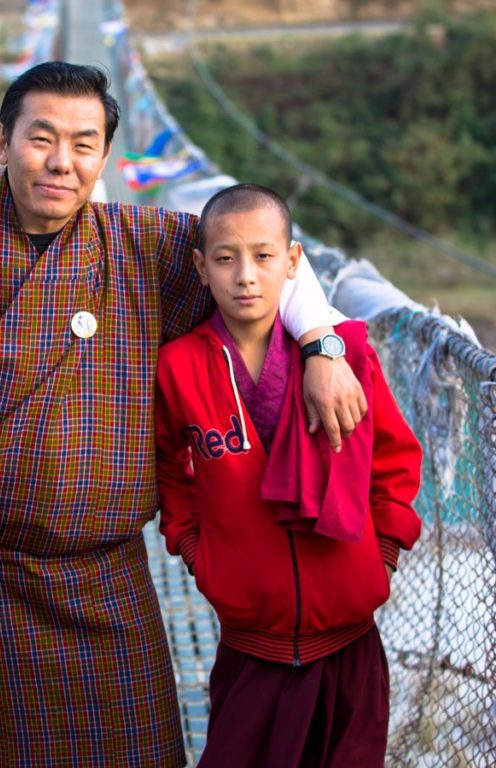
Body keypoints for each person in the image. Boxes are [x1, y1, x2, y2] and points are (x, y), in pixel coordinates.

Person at [0, 62, 367, 766]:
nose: (60, 161)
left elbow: (262, 256)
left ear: (106, 157)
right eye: (41, 137)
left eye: (83, 144)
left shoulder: (152, 247)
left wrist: (322, 344)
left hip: (111, 580)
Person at [155, 184, 422, 767]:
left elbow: (394, 459)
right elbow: (171, 473)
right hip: (250, 644)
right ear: (201, 269)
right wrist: (197, 550)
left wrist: (381, 555)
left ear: (294, 262)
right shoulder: (179, 366)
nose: (245, 276)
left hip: (349, 639)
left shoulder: (344, 356)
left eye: (264, 256)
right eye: (225, 259)